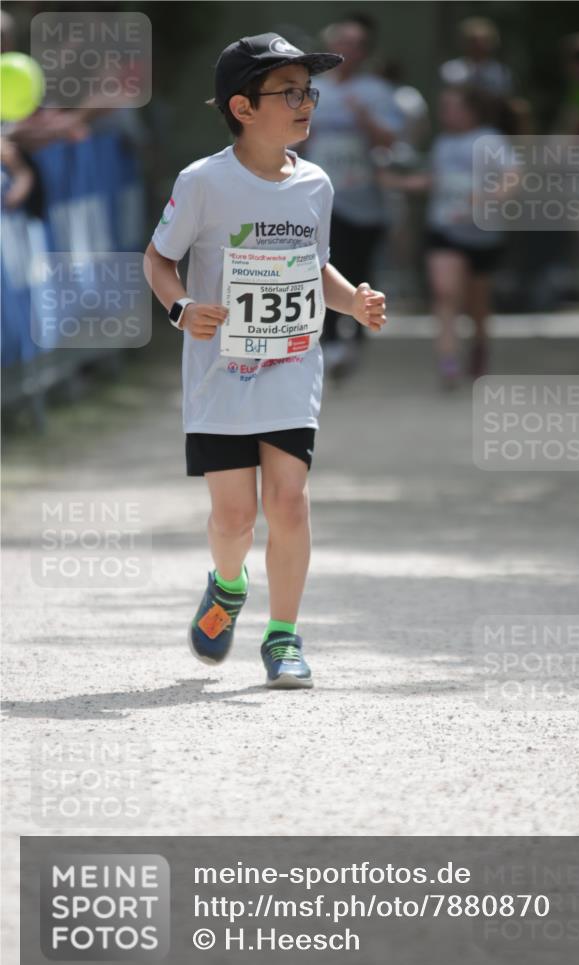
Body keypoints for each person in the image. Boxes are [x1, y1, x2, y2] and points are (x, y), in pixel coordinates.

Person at [143, 32, 386, 689]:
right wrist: (181, 308)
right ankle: (226, 585)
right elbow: (158, 258)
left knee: (289, 504)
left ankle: (283, 637)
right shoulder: (203, 182)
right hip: (222, 373)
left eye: (309, 90)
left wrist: (352, 303)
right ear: (244, 108)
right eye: (290, 92)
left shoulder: (316, 183)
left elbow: (316, 269)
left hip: (290, 365)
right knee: (233, 519)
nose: (306, 102)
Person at [380, 84, 511, 386]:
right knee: (445, 292)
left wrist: (490, 197)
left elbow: (513, 175)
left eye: (452, 106)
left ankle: (479, 345)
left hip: (482, 235)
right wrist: (399, 183)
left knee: (476, 303)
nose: (445, 113)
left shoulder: (490, 139)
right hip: (444, 229)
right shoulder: (442, 144)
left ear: (471, 110)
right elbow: (435, 180)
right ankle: (448, 360)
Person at [303, 16, 403, 378]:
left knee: (360, 268)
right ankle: (330, 338)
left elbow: (390, 141)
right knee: (323, 264)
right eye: (342, 41)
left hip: (365, 198)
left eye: (357, 43)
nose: (348, 49)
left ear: (366, 51)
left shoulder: (377, 92)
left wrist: (364, 119)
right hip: (321, 196)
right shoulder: (311, 87)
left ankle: (356, 337)